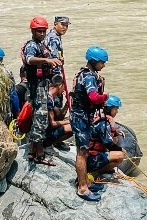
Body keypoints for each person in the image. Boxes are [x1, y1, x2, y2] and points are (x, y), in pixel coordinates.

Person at [71, 46, 110, 201]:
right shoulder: (89, 77)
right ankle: (82, 188)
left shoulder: (87, 74)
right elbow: (93, 97)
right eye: (102, 62)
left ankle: (85, 181)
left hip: (82, 116)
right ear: (94, 62)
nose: (103, 65)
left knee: (84, 151)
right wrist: (105, 96)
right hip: (81, 118)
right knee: (82, 152)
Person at [22, 16, 62, 166]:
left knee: (38, 118)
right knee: (41, 118)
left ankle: (33, 151)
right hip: (36, 86)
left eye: (43, 31)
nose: (42, 33)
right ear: (33, 31)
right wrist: (46, 60)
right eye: (39, 31)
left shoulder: (41, 44)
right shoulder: (32, 45)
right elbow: (29, 59)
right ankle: (39, 154)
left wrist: (53, 62)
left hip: (41, 84)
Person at [86, 95, 126, 177]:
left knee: (115, 139)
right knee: (120, 155)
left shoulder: (100, 117)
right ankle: (96, 172)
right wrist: (121, 149)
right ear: (109, 109)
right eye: (115, 109)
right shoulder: (103, 123)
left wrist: (115, 133)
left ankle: (100, 166)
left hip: (92, 154)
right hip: (92, 158)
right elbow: (109, 144)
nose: (117, 112)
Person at [0, 46, 20, 124]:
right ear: (1, 59)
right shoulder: (7, 73)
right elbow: (13, 94)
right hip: (5, 109)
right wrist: (18, 111)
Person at [44, 74, 73, 150]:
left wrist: (67, 104)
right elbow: (53, 124)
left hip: (47, 130)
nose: (64, 90)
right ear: (60, 86)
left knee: (67, 120)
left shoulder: (49, 96)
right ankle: (52, 143)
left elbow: (59, 116)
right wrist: (69, 121)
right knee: (74, 127)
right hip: (45, 135)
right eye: (64, 88)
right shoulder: (49, 100)